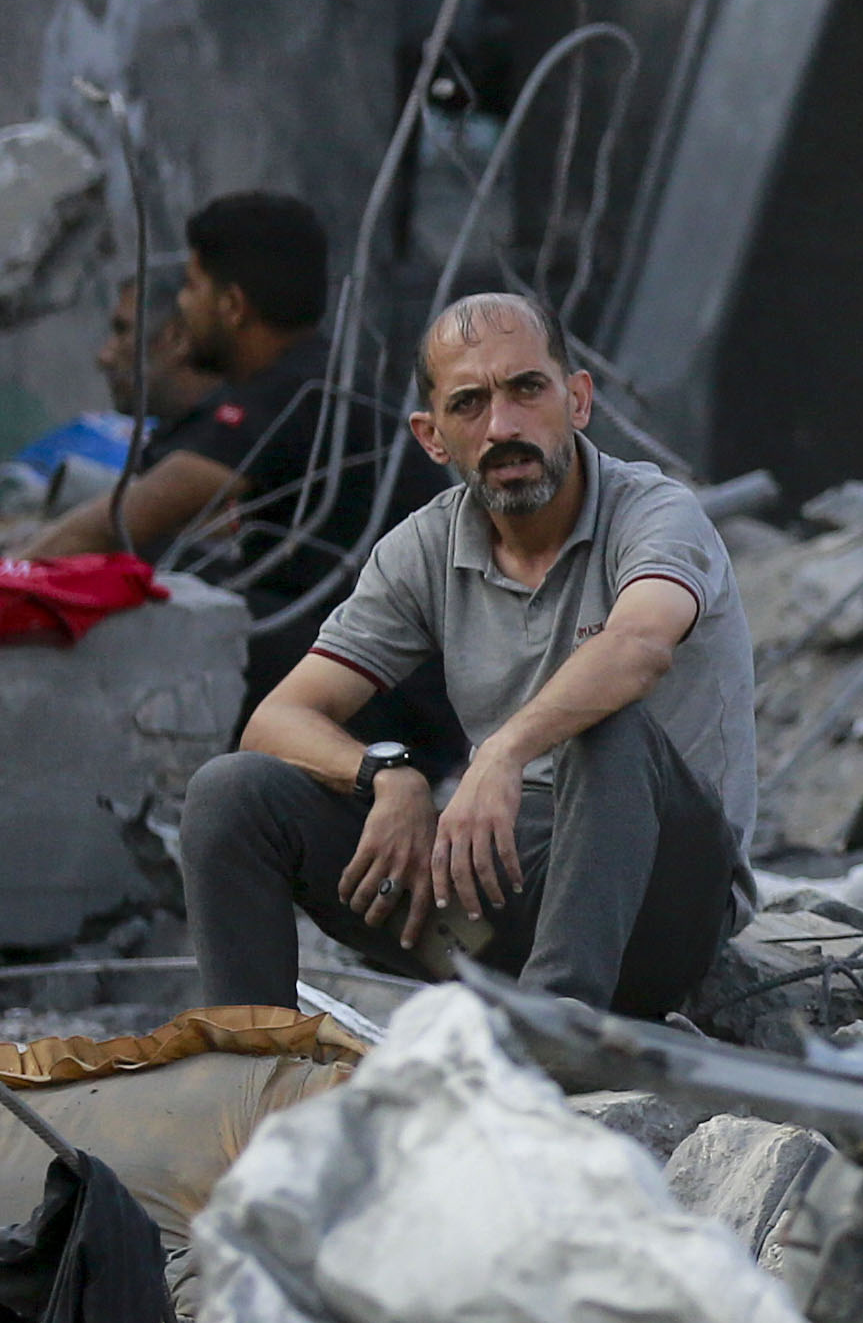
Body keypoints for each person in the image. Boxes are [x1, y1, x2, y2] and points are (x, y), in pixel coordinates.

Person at [182, 292, 759, 1020]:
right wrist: (388, 778)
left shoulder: (653, 513)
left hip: (657, 911)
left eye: (526, 389)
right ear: (432, 436)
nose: (503, 426)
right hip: (487, 923)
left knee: (607, 724)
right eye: (468, 404)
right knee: (233, 793)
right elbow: (279, 718)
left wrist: (502, 753)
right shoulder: (423, 548)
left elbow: (639, 646)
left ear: (576, 399)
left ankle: (554, 1035)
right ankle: (246, 1067)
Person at [10, 194, 370, 714]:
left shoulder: (291, 393)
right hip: (343, 654)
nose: (181, 305)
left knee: (129, 565)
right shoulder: (312, 376)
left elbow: (123, 519)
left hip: (360, 683)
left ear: (233, 306)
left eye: (193, 287)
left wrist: (11, 581)